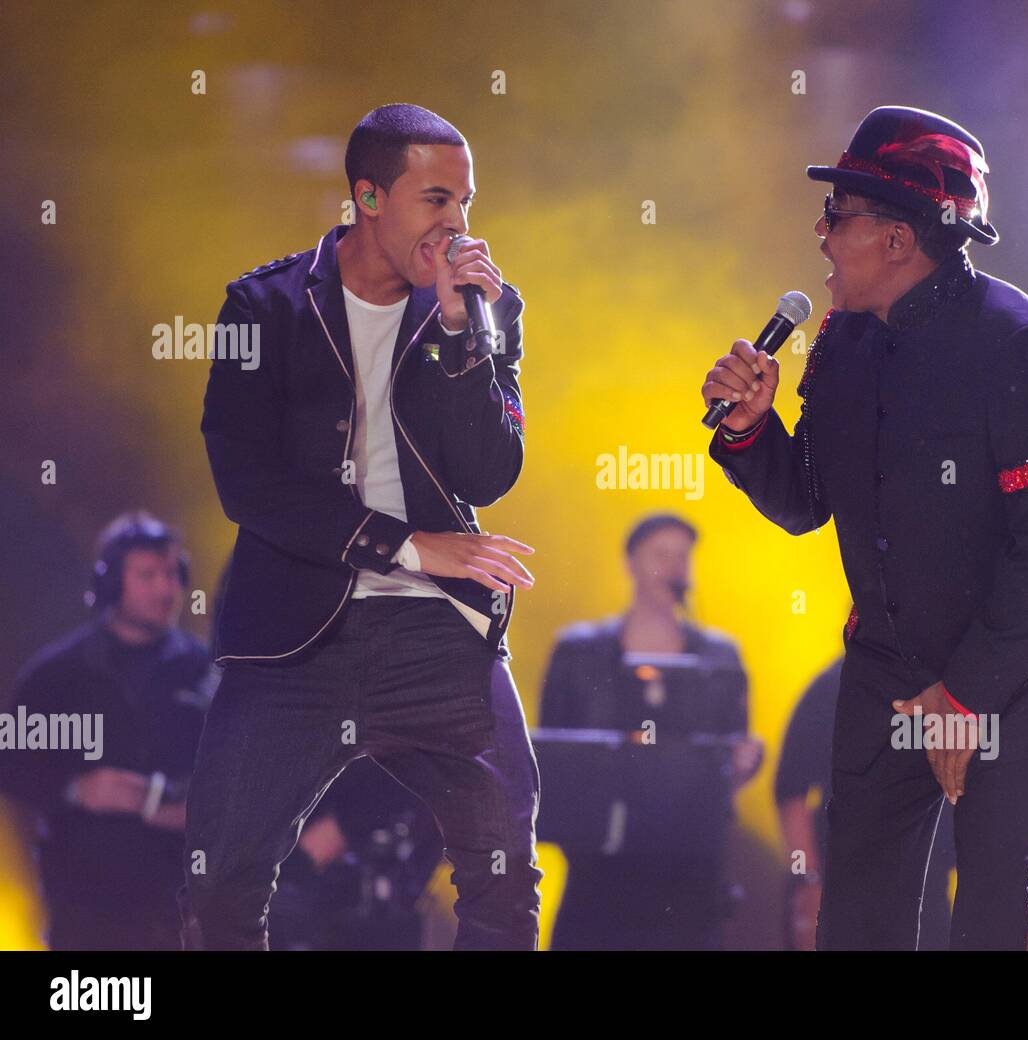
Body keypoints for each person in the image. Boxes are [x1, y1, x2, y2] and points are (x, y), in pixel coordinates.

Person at [701, 105, 1028, 950]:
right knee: (857, 914)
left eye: (837, 216)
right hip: (891, 662)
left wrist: (965, 697)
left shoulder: (1018, 344)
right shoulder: (844, 339)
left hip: (1018, 666)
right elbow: (805, 501)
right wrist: (749, 429)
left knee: (990, 911)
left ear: (898, 241)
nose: (819, 234)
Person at [179, 103, 541, 950]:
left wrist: (460, 335)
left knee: (503, 869)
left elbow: (489, 471)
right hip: (294, 634)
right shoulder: (262, 309)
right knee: (220, 882)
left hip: (435, 632)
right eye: (437, 200)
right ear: (368, 197)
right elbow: (250, 486)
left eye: (466, 204)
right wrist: (408, 546)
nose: (456, 227)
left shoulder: (482, 309)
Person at [539, 513, 762, 949]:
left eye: (683, 556)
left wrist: (744, 761)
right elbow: (553, 753)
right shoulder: (578, 651)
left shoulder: (720, 655)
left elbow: (735, 751)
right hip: (599, 867)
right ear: (630, 563)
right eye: (661, 554)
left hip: (690, 866)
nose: (675, 567)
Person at [0, 511, 214, 950]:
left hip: (182, 903)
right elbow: (11, 762)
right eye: (148, 575)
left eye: (173, 573)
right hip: (86, 905)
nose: (166, 589)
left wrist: (195, 811)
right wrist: (76, 788)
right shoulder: (57, 676)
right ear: (112, 583)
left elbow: (244, 769)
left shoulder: (208, 673)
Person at [775, 653, 955, 950]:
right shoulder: (835, 688)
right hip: (844, 886)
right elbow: (792, 791)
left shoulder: (950, 694)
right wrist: (809, 883)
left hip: (926, 885)